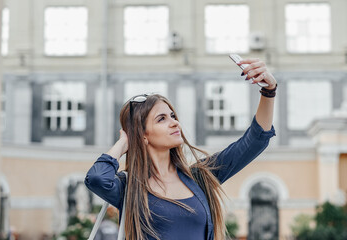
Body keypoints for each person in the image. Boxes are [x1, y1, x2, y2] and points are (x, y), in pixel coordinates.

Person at [85, 58, 277, 240]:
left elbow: (255, 141)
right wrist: (124, 143)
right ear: (142, 135)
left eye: (172, 116)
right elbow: (96, 179)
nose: (174, 123)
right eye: (162, 119)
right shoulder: (129, 187)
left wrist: (269, 91)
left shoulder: (200, 177)